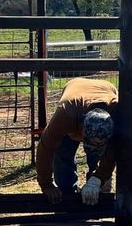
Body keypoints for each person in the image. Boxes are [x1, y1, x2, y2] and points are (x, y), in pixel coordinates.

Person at [37, 77, 118, 205]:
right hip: (75, 89)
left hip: (106, 88)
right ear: (81, 129)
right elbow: (46, 147)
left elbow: (114, 150)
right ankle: (68, 194)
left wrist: (98, 179)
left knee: (100, 165)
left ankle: (98, 193)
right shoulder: (66, 114)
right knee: (62, 154)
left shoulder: (117, 113)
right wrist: (46, 185)